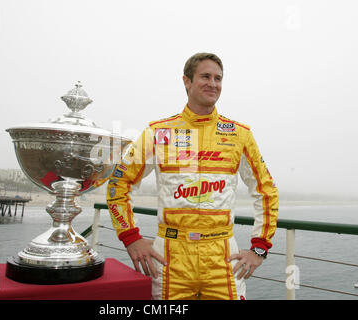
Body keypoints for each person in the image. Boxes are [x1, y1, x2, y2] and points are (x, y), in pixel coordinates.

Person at [106, 52, 279, 300]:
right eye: (205, 76)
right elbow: (118, 183)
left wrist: (259, 249)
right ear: (187, 81)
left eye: (218, 78)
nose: (213, 83)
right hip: (169, 256)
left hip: (223, 256)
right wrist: (131, 237)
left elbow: (266, 191)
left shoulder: (240, 134)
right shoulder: (158, 132)